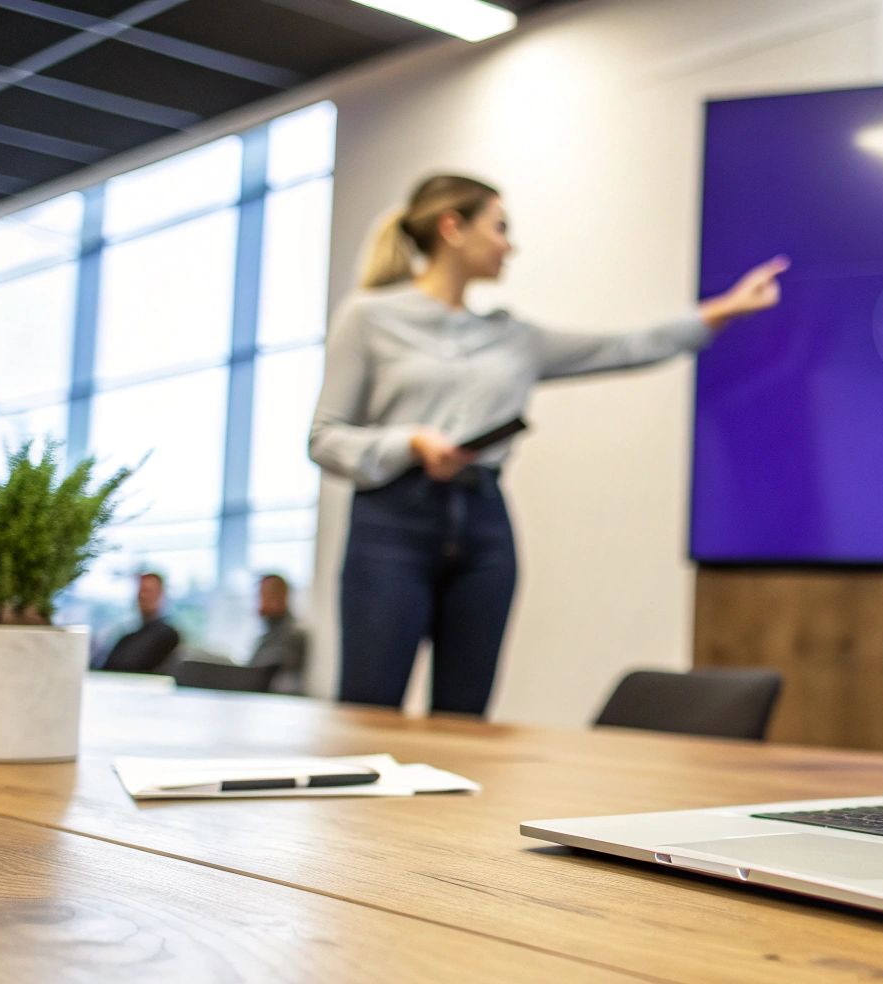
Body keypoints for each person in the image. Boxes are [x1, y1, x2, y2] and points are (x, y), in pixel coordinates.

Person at [310, 173, 785, 717]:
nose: (510, 245)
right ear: (452, 228)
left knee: (466, 716)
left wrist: (721, 310)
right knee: (369, 711)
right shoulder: (369, 318)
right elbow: (325, 437)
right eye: (500, 228)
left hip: (484, 523)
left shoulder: (513, 337)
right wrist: (410, 442)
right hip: (393, 522)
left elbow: (625, 347)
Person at [101, 572, 181, 673]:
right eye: (140, 591)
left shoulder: (167, 635)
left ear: (161, 595)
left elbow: (129, 665)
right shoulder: (128, 637)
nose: (142, 596)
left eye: (148, 591)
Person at [249, 573, 307, 694]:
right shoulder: (268, 635)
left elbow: (260, 676)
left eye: (266, 595)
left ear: (283, 596)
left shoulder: (293, 635)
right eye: (260, 596)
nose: (261, 603)